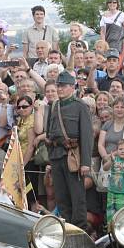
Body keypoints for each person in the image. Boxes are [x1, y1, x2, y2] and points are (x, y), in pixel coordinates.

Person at [45, 71, 92, 229]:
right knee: (61, 197)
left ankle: (80, 229)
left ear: (72, 87)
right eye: (58, 85)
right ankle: (67, 228)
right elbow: (48, 134)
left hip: (73, 156)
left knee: (77, 197)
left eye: (63, 86)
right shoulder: (54, 106)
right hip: (57, 156)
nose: (59, 89)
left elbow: (87, 136)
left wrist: (86, 163)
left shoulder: (80, 106)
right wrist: (50, 158)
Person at [104, 138, 124, 222]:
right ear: (116, 150)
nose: (122, 151)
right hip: (111, 192)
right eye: (120, 149)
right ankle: (110, 231)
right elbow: (105, 168)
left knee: (122, 216)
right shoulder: (114, 159)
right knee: (110, 215)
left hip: (123, 193)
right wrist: (111, 160)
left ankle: (120, 232)